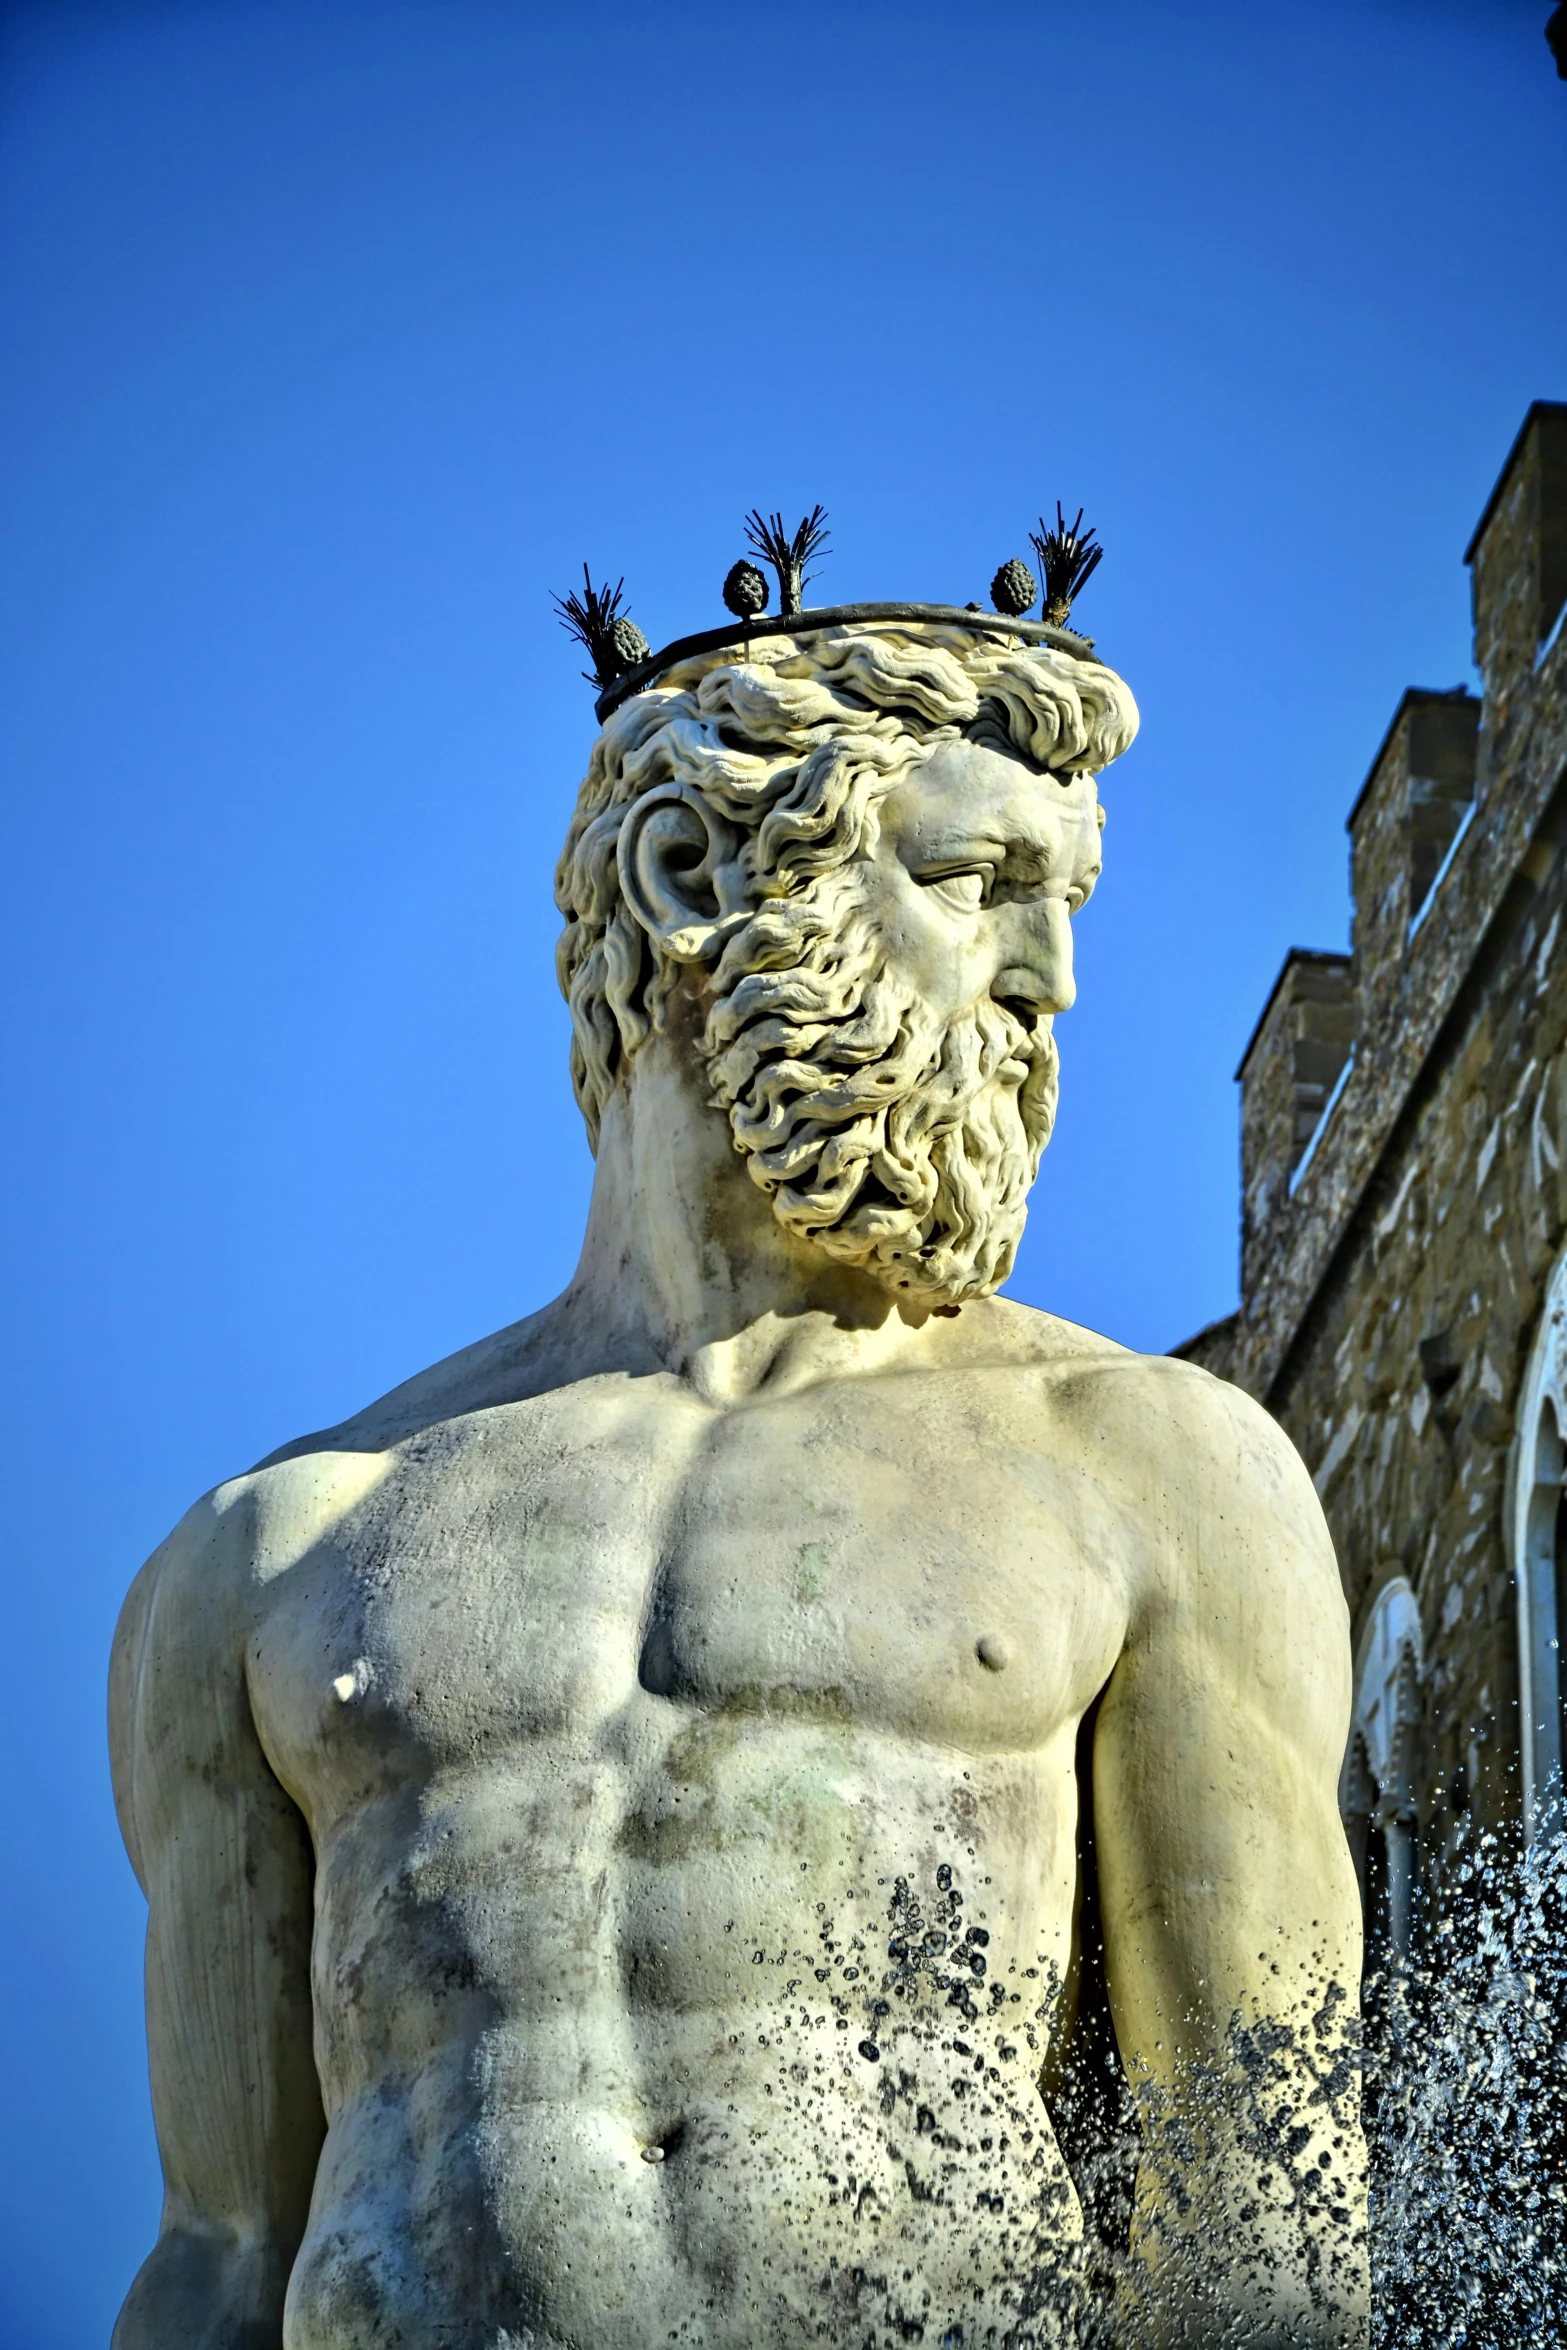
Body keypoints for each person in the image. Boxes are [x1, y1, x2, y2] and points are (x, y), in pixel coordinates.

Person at [111, 617, 1367, 2348]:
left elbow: (1260, 2222)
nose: (1048, 974)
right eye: (978, 875)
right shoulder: (281, 1552)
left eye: (1068, 895)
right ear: (691, 869)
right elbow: (218, 2260)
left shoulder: (1143, 1468)